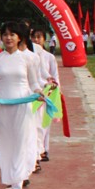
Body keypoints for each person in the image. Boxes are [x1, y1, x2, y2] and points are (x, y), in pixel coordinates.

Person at [0, 21, 46, 189]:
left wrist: (39, 93)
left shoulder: (28, 59)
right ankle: (11, 179)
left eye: (12, 34)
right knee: (5, 144)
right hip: (2, 106)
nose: (8, 38)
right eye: (5, 34)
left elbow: (34, 84)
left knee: (20, 143)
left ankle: (17, 187)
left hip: (22, 106)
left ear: (19, 38)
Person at [31, 28, 59, 162]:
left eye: (39, 37)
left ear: (44, 39)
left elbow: (54, 75)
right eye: (34, 37)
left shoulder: (49, 56)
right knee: (35, 123)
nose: (36, 40)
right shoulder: (30, 55)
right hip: (34, 92)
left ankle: (44, 149)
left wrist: (56, 89)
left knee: (45, 123)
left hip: (47, 92)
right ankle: (36, 150)